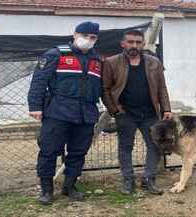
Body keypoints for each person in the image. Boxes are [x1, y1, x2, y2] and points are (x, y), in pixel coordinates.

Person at [27, 21, 101, 204]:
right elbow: (39, 81)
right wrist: (35, 106)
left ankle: (69, 186)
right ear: (75, 35)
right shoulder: (56, 54)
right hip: (58, 112)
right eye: (85, 36)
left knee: (78, 152)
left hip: (86, 113)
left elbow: (101, 87)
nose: (88, 40)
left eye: (93, 38)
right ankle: (46, 190)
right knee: (49, 151)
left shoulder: (97, 60)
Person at [102, 29, 172, 195]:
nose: (134, 45)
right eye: (130, 42)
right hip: (126, 114)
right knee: (125, 147)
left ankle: (149, 179)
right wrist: (114, 110)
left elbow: (162, 88)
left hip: (150, 113)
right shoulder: (112, 62)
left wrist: (166, 108)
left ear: (142, 44)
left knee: (155, 146)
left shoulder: (153, 62)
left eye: (138, 42)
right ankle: (128, 180)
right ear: (123, 43)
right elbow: (105, 89)